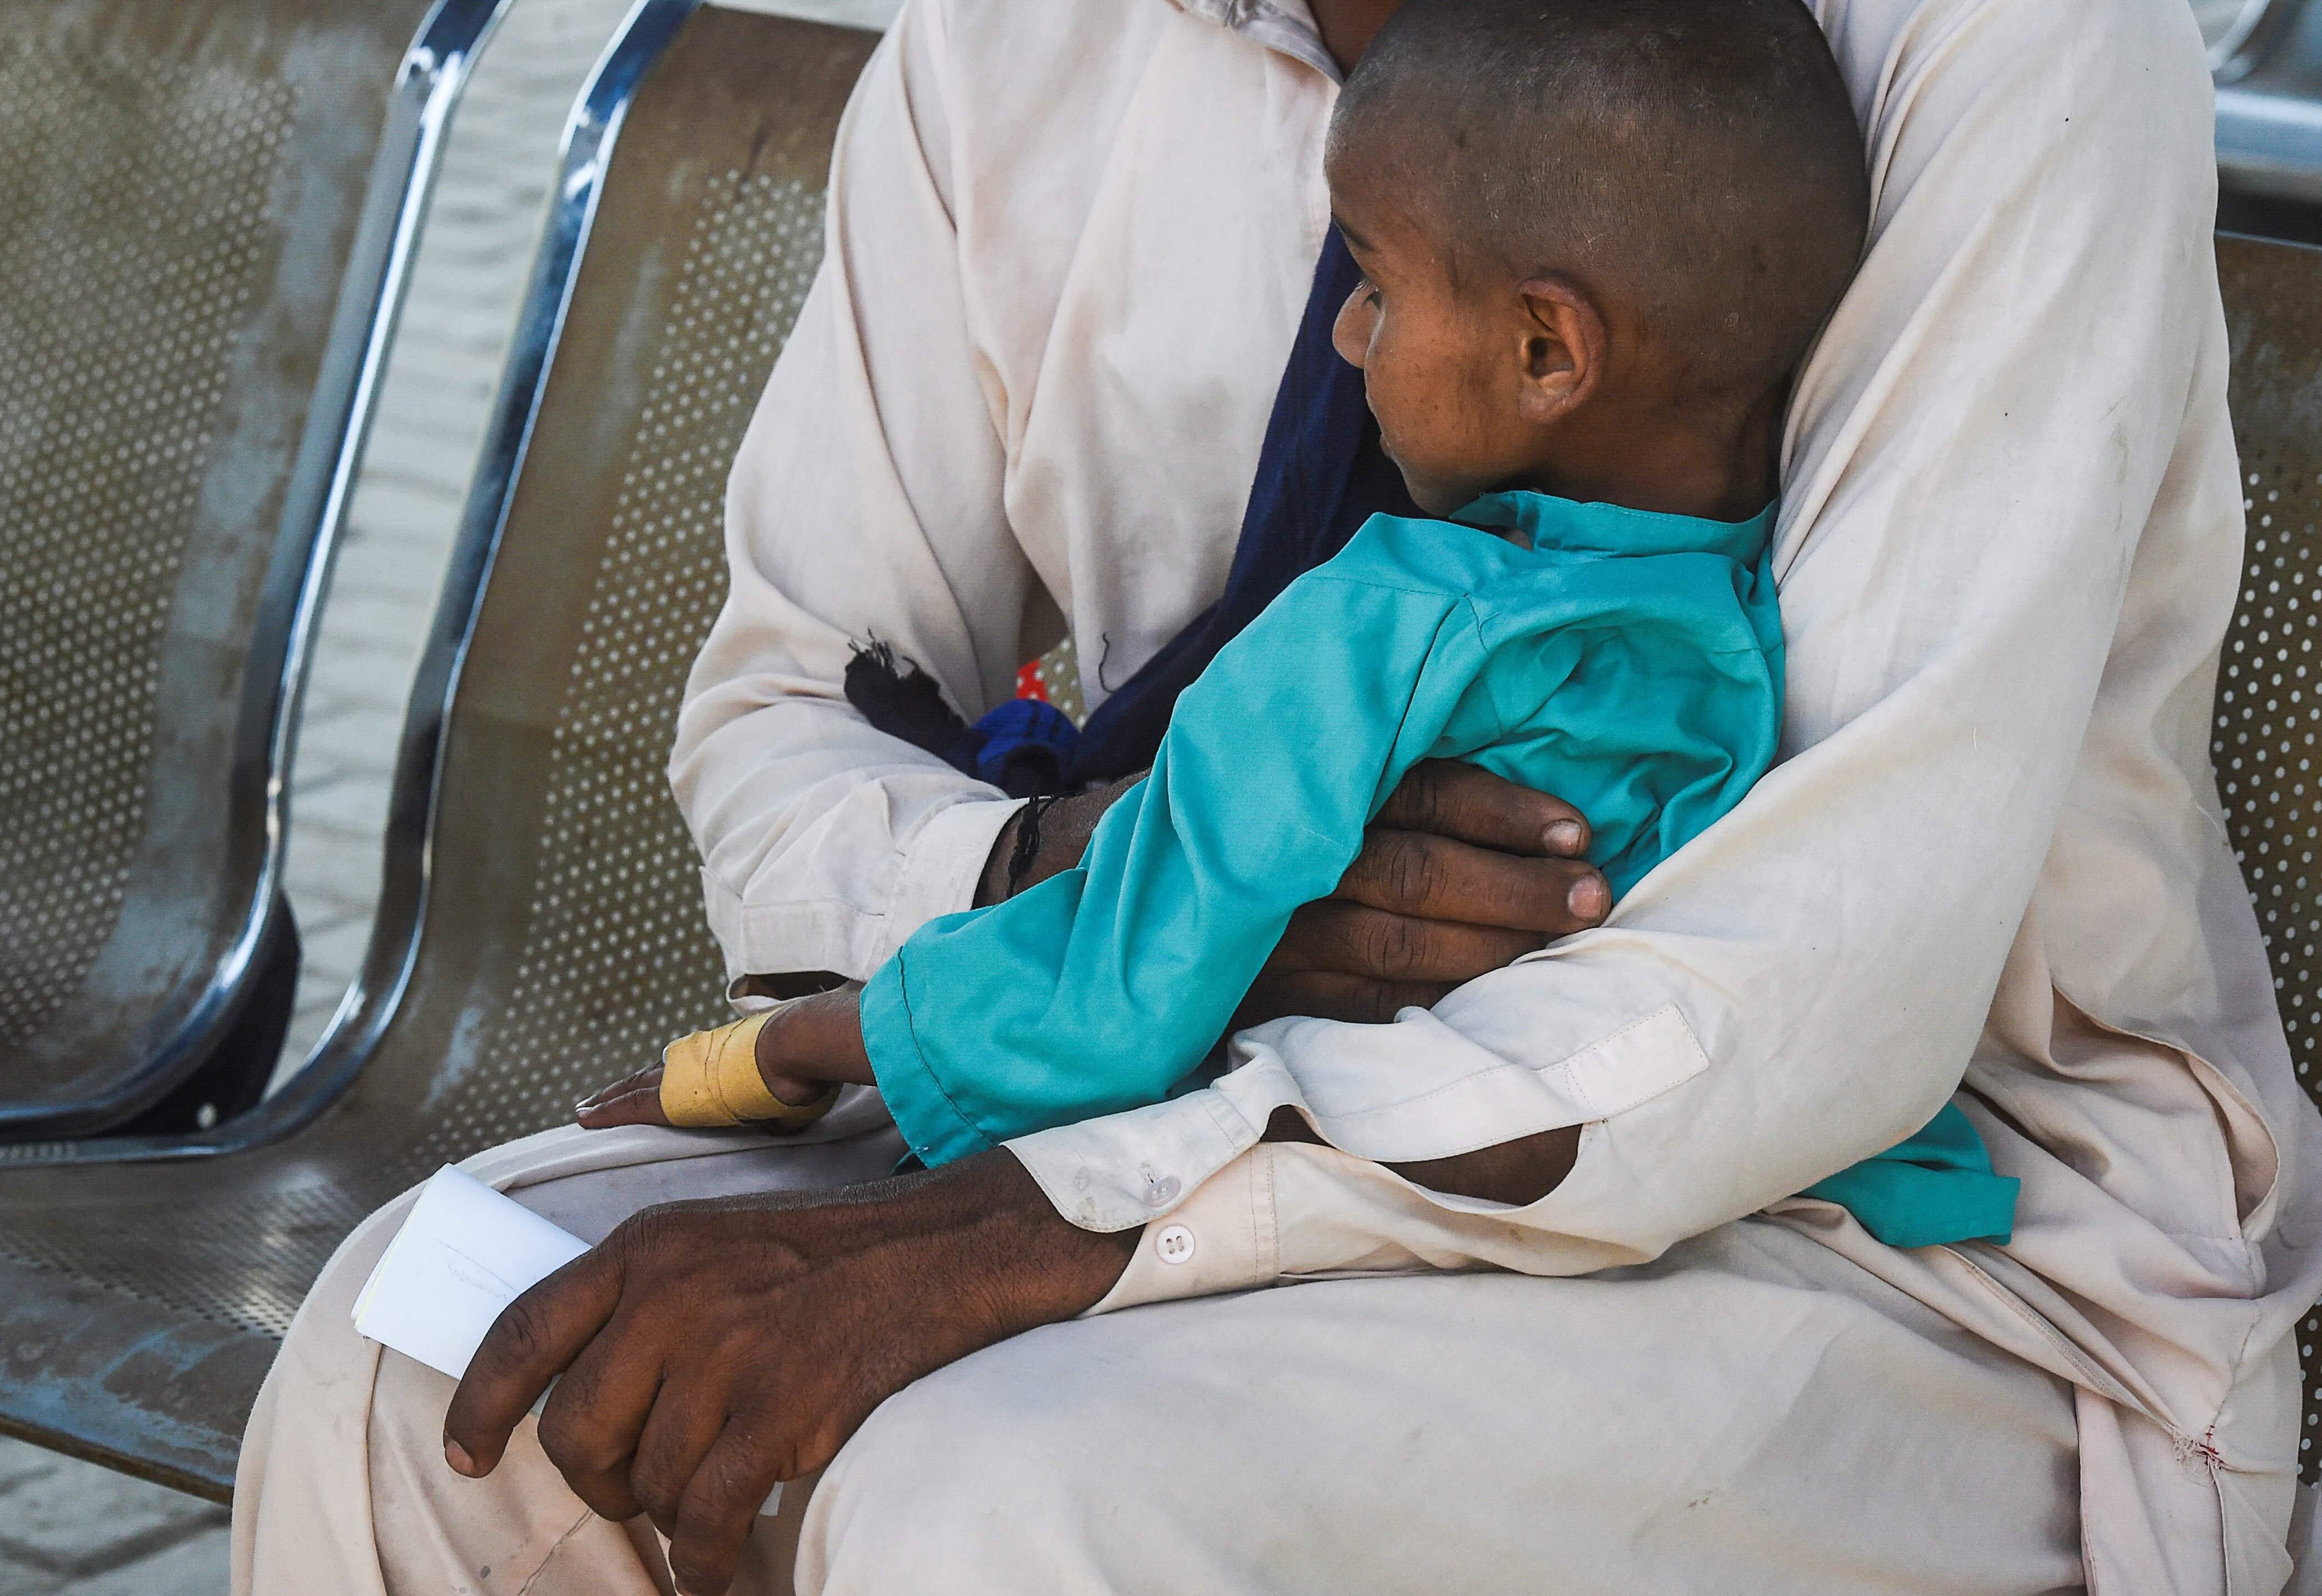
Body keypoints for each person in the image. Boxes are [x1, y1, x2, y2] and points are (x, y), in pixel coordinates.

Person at [234, 0, 2322, 1596]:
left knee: (1000, 1517)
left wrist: (1043, 1219)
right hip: (1135, 1070)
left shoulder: (2013, 37)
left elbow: (1814, 980)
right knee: (419, 1359)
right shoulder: (1009, 47)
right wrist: (1110, 881)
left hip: (1911, 1236)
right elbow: (786, 708)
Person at [581, 0, 2021, 1260]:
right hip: (1792, 1188)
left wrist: (775, 1052)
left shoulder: (1376, 629)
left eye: (1377, 290)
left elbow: (1108, 997)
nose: (1350, 332)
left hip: (1379, 1181)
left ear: (1546, 352)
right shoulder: (1738, 624)